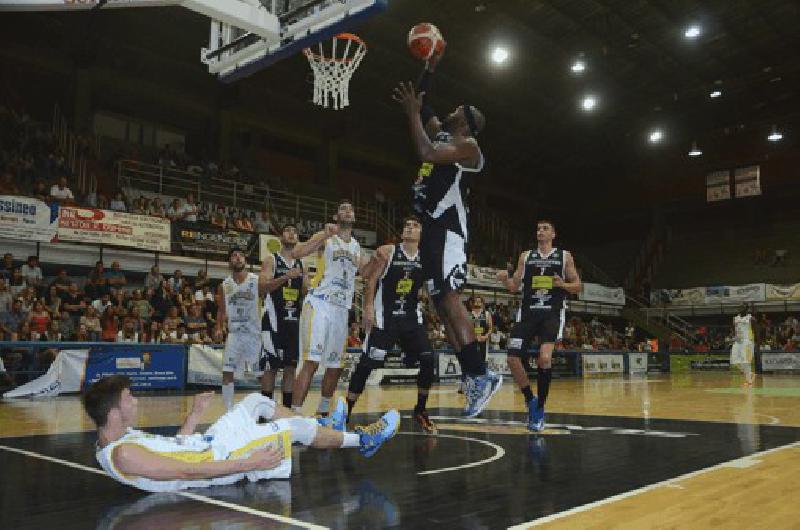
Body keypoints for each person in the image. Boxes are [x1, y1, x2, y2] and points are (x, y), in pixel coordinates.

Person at [393, 48, 501, 417]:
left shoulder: (468, 146)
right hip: (431, 229)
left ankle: (481, 374)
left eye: (460, 109)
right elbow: (424, 106)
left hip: (448, 229)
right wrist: (428, 69)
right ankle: (474, 374)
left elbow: (423, 150)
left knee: (451, 301)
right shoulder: (443, 133)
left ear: (467, 123)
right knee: (441, 304)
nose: (452, 109)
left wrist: (410, 114)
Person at [83, 375, 400, 492]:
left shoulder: (118, 440)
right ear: (113, 412)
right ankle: (363, 440)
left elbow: (176, 448)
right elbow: (186, 470)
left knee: (256, 401)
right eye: (129, 398)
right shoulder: (124, 454)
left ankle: (326, 430)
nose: (135, 401)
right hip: (221, 458)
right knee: (293, 428)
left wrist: (194, 415)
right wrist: (249, 464)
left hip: (206, 444)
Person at [346, 216, 438, 433]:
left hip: (410, 319)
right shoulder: (388, 252)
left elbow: (428, 289)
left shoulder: (425, 258)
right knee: (367, 364)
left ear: (420, 233)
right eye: (406, 224)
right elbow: (371, 280)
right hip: (385, 319)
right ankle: (346, 412)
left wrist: (434, 314)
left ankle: (420, 410)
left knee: (428, 359)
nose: (409, 227)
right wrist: (368, 309)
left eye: (415, 225)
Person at [290, 200, 376, 417]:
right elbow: (297, 253)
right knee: (311, 361)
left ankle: (323, 413)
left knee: (336, 365)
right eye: (342, 209)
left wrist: (380, 259)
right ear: (336, 216)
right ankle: (295, 415)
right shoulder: (326, 236)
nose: (347, 211)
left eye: (350, 209)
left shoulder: (356, 246)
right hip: (320, 302)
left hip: (341, 309)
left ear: (354, 218)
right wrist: (324, 235)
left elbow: (367, 273)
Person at [496, 219, 581, 431]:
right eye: (538, 229)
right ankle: (530, 399)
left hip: (551, 314)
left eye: (545, 229)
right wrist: (504, 280)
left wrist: (563, 284)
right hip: (528, 313)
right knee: (512, 358)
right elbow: (514, 287)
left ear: (553, 234)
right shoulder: (526, 256)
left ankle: (540, 408)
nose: (540, 232)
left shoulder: (564, 256)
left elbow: (578, 286)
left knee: (544, 358)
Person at [259, 224, 305, 409]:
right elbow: (262, 288)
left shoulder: (302, 264)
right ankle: (265, 412)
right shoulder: (272, 260)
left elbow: (305, 293)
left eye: (294, 231)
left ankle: (285, 411)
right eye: (287, 230)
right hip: (273, 321)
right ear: (281, 238)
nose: (291, 233)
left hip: (293, 322)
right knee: (271, 367)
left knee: (290, 368)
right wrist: (286, 277)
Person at [213, 248, 262, 410]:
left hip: (255, 334)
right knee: (227, 372)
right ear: (230, 262)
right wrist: (219, 327)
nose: (238, 258)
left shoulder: (257, 280)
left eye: (241, 255)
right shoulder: (225, 285)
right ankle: (228, 410)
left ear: (245, 260)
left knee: (262, 375)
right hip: (234, 334)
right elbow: (221, 310)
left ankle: (266, 408)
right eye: (234, 255)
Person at [731, 304, 756, 386]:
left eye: (743, 307)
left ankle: (749, 381)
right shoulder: (735, 318)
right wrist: (734, 337)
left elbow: (757, 330)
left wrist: (758, 343)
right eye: (740, 307)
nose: (741, 309)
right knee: (734, 360)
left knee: (746, 361)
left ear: (746, 309)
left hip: (747, 341)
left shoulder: (751, 318)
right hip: (738, 341)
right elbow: (734, 330)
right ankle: (750, 373)